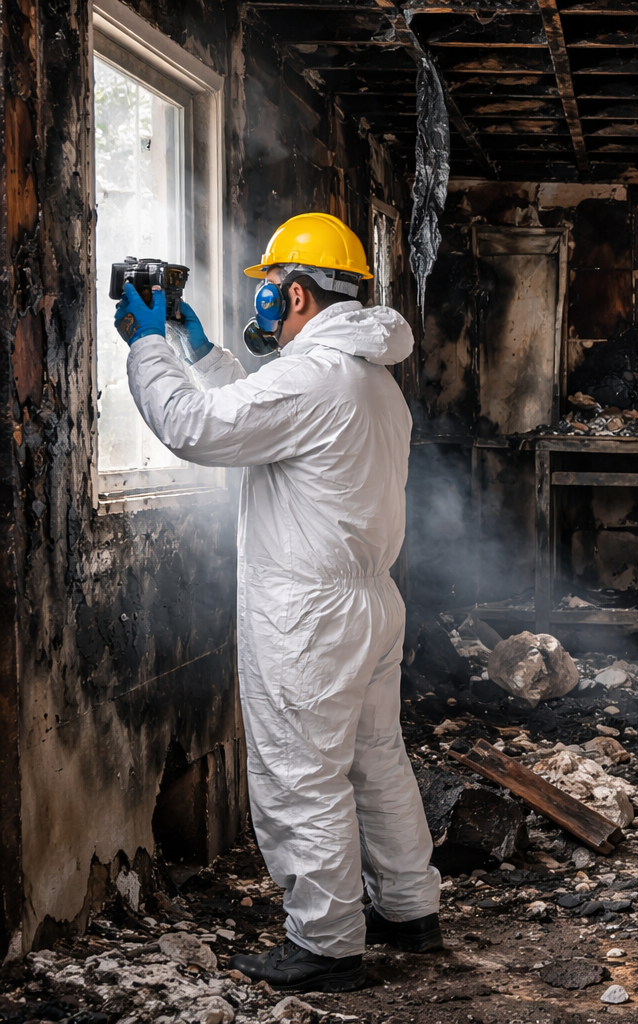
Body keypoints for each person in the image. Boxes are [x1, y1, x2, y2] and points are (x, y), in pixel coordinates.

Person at [119, 213, 441, 992]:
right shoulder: (369, 379)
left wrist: (147, 344)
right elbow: (271, 421)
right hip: (368, 603)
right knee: (374, 761)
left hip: (307, 616)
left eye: (268, 287)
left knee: (302, 775)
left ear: (295, 293)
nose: (261, 299)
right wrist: (203, 352)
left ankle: (328, 946)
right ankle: (409, 909)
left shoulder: (311, 378)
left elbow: (196, 427)